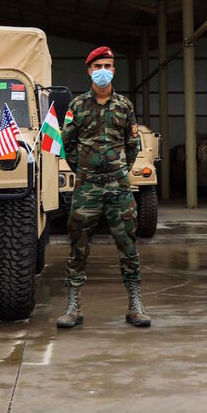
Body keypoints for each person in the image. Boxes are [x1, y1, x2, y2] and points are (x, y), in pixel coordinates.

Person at [57, 46, 149, 329]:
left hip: (119, 188)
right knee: (78, 247)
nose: (103, 71)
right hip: (87, 189)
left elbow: (133, 145)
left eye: (108, 66)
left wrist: (117, 169)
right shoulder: (77, 106)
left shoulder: (124, 106)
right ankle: (73, 307)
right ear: (89, 70)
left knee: (128, 245)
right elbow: (67, 145)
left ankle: (135, 305)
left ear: (114, 70)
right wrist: (86, 170)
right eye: (98, 66)